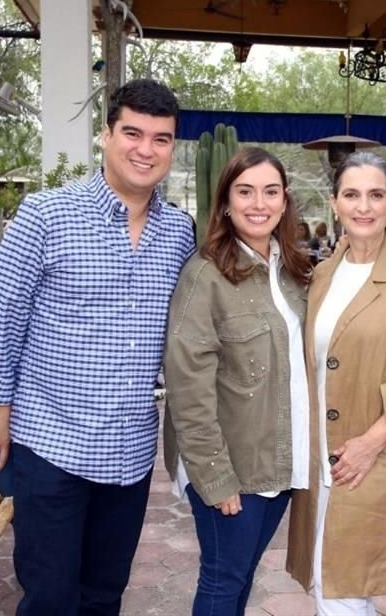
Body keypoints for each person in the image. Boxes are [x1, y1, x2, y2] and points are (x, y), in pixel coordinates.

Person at [0, 78, 195, 616]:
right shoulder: (46, 216)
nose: (146, 149)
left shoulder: (179, 232)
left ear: (172, 148)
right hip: (52, 443)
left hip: (129, 452)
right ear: (106, 136)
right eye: (133, 133)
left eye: (161, 139)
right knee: (50, 598)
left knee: (103, 594)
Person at [286, 151, 386, 615]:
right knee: (333, 584)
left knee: (342, 589)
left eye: (376, 195)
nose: (364, 206)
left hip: (378, 452)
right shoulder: (323, 274)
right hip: (322, 455)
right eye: (351, 195)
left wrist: (371, 442)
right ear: (334, 203)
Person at [163, 147, 313, 616]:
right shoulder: (205, 274)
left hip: (277, 461)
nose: (258, 203)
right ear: (225, 201)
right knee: (224, 579)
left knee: (241, 572)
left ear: (285, 201)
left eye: (270, 192)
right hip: (231, 468)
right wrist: (215, 476)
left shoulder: (293, 272)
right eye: (244, 191)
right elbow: (188, 385)